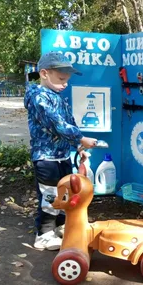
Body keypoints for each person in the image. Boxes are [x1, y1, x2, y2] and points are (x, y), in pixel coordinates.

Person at [24, 52, 96, 250]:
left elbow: (69, 123)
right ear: (44, 73)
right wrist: (81, 138)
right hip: (46, 158)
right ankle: (44, 234)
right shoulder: (38, 98)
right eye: (62, 79)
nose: (65, 84)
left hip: (62, 156)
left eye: (67, 80)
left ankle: (60, 225)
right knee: (50, 195)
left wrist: (78, 147)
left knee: (64, 193)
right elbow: (56, 124)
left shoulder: (58, 97)